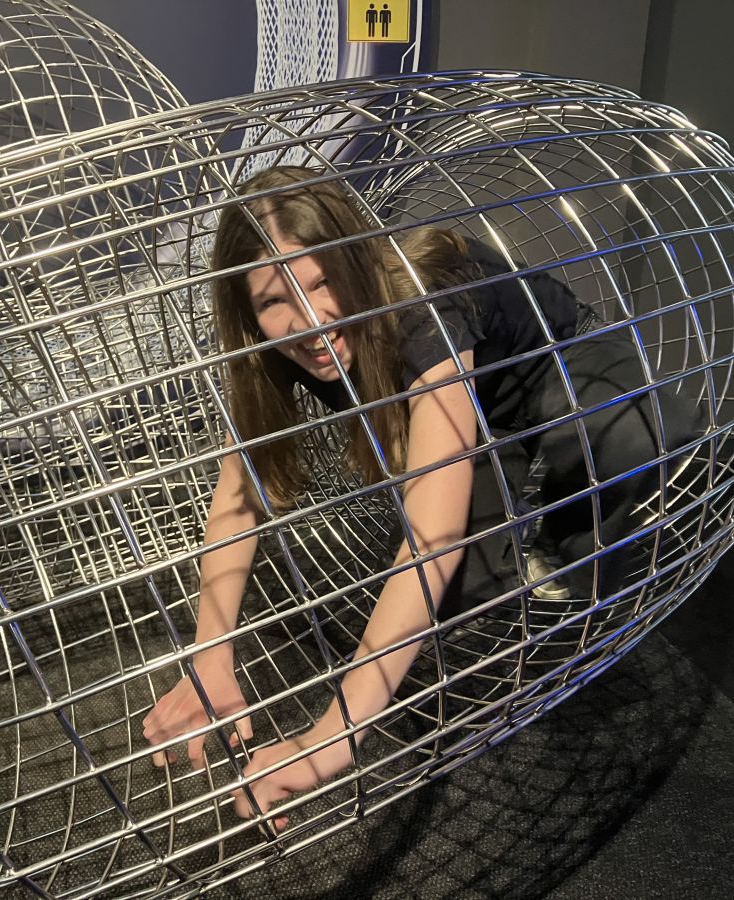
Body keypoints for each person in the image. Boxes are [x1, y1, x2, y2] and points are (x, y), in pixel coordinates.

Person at [142, 165, 701, 830]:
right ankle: (510, 518)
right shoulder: (264, 351)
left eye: (323, 281)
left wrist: (330, 740)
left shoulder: (421, 307)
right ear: (248, 310)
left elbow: (431, 541)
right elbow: (240, 499)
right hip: (477, 409)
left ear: (358, 262)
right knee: (459, 603)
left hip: (556, 363)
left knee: (628, 436)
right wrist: (210, 658)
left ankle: (563, 541)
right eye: (273, 301)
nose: (309, 321)